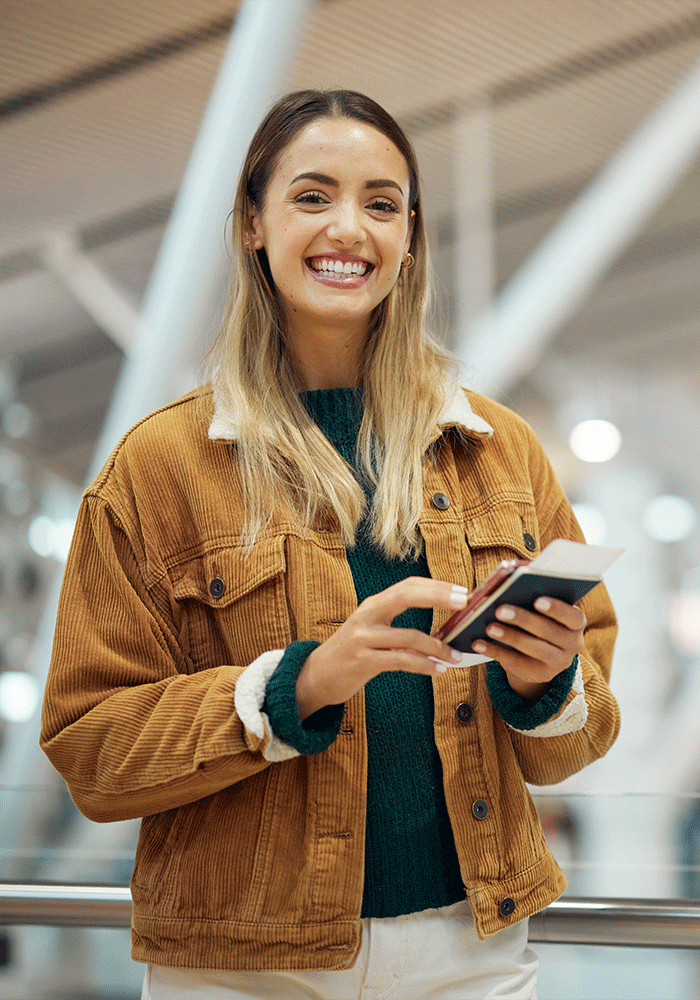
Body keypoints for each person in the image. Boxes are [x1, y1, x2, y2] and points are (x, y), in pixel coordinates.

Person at [40, 90, 620, 1000]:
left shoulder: (499, 449)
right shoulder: (157, 467)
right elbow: (90, 750)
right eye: (313, 196)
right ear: (250, 224)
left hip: (470, 956)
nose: (350, 228)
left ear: (411, 236)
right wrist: (300, 683)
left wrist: (545, 681)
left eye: (382, 204)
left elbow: (575, 742)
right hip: (239, 967)